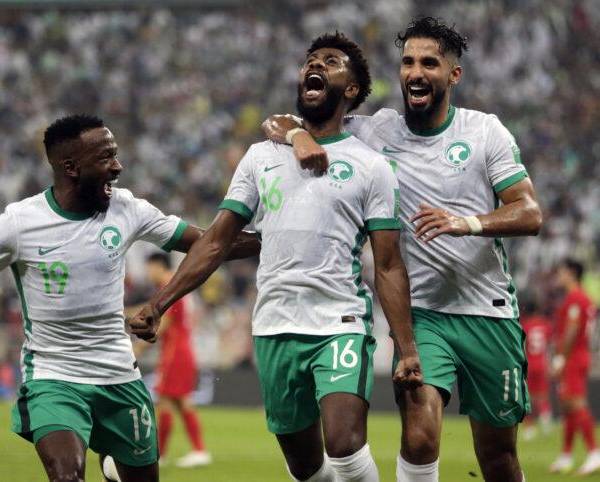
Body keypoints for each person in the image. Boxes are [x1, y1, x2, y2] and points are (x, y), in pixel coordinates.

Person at [131, 32, 422, 482]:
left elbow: (387, 264)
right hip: (273, 326)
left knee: (344, 445)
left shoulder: (372, 167)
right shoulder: (259, 157)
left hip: (339, 322)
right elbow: (216, 241)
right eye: (311, 59)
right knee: (305, 467)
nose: (316, 64)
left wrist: (406, 349)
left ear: (351, 89)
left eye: (330, 61)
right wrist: (159, 303)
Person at [262, 17, 543, 482]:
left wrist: (467, 222)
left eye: (429, 63)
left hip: (488, 312)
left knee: (498, 458)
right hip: (422, 317)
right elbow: (284, 120)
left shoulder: (484, 131)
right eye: (408, 62)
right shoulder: (376, 131)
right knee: (419, 437)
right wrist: (297, 136)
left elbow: (529, 212)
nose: (415, 72)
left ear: (453, 74)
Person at [2, 114, 258, 482]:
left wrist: (274, 237)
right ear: (70, 167)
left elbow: (209, 243)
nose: (117, 166)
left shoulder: (127, 208)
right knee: (67, 476)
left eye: (115, 154)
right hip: (53, 376)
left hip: (119, 375)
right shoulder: (20, 223)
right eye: (105, 157)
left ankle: (115, 469)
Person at [133, 252, 212, 468]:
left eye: (150, 267)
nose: (148, 272)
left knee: (167, 401)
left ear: (158, 266)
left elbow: (165, 321)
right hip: (182, 349)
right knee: (180, 401)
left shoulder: (167, 287)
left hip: (175, 352)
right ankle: (196, 450)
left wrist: (140, 347)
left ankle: (164, 454)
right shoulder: (177, 285)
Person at [549, 258, 599, 475]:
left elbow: (572, 329)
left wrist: (560, 358)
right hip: (578, 355)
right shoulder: (581, 297)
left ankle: (594, 453)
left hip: (574, 357)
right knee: (568, 407)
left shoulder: (576, 298)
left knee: (576, 404)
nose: (558, 276)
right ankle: (566, 455)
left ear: (571, 273)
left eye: (561, 272)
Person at [520, 300, 552, 441]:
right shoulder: (546, 325)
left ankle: (529, 428)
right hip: (542, 364)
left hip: (529, 364)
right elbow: (549, 344)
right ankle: (546, 423)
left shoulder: (525, 325)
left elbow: (522, 346)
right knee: (543, 395)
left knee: (527, 396)